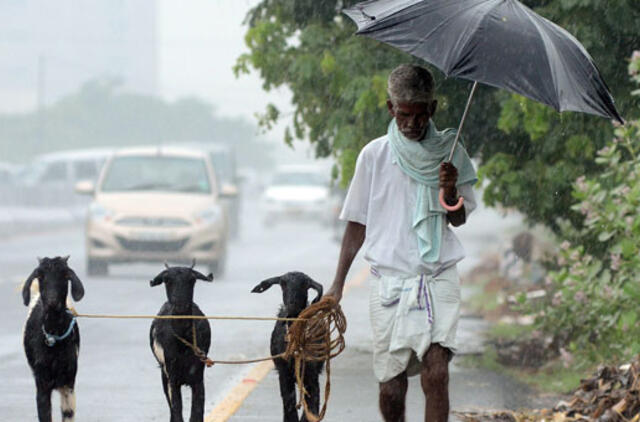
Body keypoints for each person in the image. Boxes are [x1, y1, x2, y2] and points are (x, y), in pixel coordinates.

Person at [325, 64, 477, 422]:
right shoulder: (373, 155)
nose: (412, 123)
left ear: (433, 109)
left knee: (436, 373)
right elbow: (356, 223)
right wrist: (337, 283)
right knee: (391, 388)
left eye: (421, 114)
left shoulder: (451, 153)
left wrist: (450, 190)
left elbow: (459, 217)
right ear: (390, 109)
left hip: (437, 275)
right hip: (389, 281)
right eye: (404, 113)